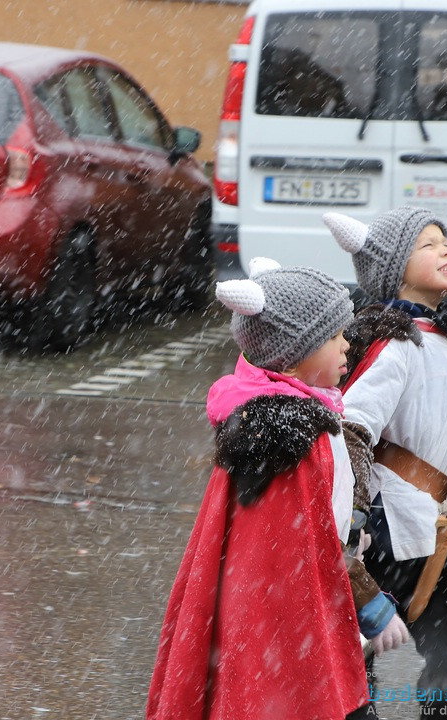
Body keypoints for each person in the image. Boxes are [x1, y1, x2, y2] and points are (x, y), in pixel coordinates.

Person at [146, 257, 402, 720]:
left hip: (271, 621)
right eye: (333, 336)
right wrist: (370, 606)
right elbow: (306, 555)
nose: (347, 344)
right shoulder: (294, 440)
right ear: (293, 354)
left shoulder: (281, 418)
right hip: (285, 626)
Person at [323, 207, 447, 718]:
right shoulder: (394, 346)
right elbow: (352, 428)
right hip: (387, 529)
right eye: (428, 245)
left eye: (445, 240)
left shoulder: (446, 338)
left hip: (438, 533)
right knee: (351, 655)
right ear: (393, 270)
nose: (445, 250)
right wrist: (353, 515)